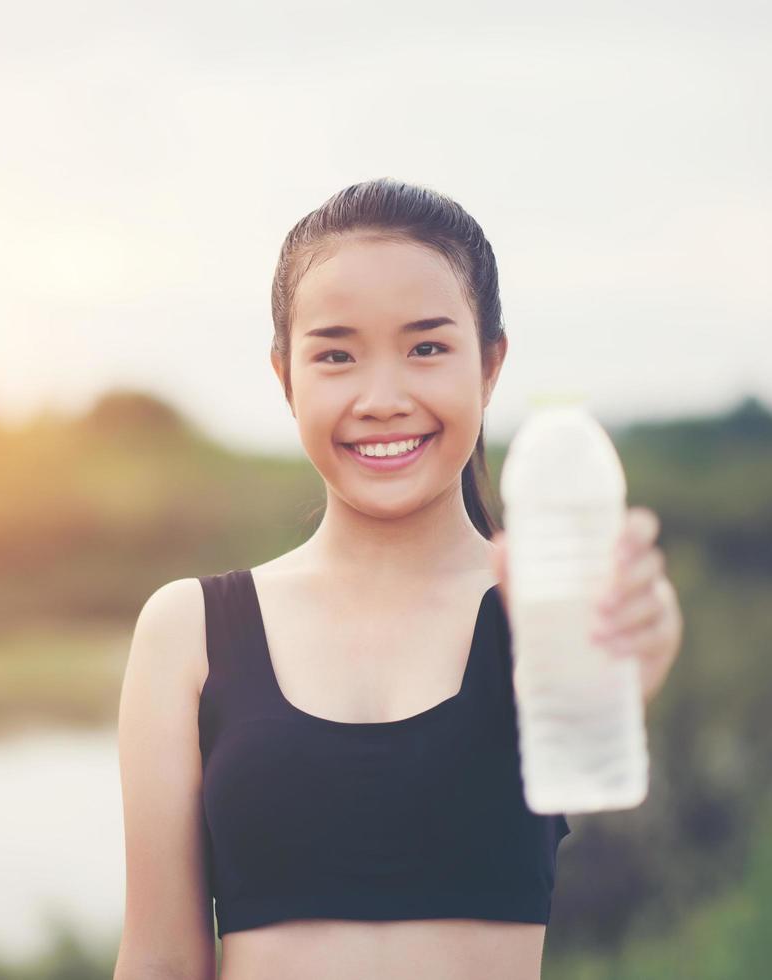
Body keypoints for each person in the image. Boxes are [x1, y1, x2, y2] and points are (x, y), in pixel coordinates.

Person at [115, 177, 684, 980]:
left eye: (425, 347)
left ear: (489, 367)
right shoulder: (188, 631)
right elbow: (159, 963)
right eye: (336, 355)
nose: (381, 399)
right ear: (285, 377)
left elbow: (611, 682)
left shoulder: (541, 609)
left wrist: (634, 641)